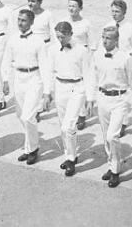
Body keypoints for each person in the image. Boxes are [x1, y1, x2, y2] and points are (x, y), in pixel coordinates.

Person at [89, 25, 132, 188]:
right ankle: (112, 165)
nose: (104, 40)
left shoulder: (125, 58)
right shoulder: (97, 55)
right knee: (105, 136)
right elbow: (92, 77)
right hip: (103, 98)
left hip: (119, 99)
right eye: (103, 37)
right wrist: (91, 98)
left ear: (116, 40)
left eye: (108, 38)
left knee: (112, 136)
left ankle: (116, 171)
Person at [2, 7, 51, 165]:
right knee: (20, 115)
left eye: (24, 20)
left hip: (34, 79)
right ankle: (29, 147)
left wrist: (47, 91)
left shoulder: (38, 41)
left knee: (28, 116)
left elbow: (45, 66)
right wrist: (5, 80)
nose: (20, 23)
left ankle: (34, 148)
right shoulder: (12, 39)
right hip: (18, 78)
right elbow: (6, 61)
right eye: (19, 20)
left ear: (31, 22)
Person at [47, 21, 92, 177]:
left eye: (62, 37)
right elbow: (49, 71)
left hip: (76, 89)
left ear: (70, 34)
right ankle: (68, 155)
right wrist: (48, 92)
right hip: (60, 87)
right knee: (62, 126)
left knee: (69, 127)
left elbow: (88, 74)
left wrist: (90, 97)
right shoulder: (53, 49)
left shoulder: (81, 51)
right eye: (57, 37)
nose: (60, 40)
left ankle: (72, 159)